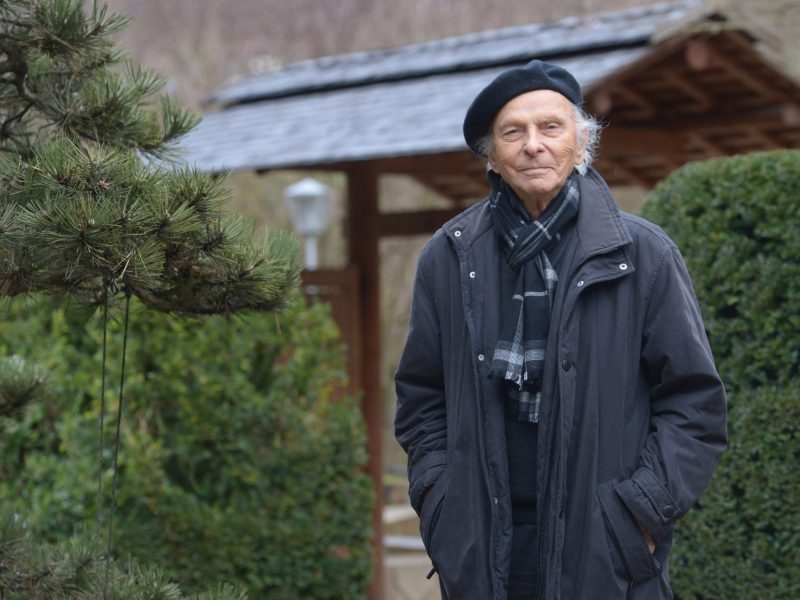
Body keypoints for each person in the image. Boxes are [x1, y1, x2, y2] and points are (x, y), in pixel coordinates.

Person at [394, 59, 727, 600]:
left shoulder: (642, 255)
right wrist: (440, 503)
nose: (533, 145)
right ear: (492, 157)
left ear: (580, 143)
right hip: (482, 543)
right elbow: (421, 398)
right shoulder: (448, 257)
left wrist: (639, 512)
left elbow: (694, 404)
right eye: (513, 132)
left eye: (551, 127)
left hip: (605, 545)